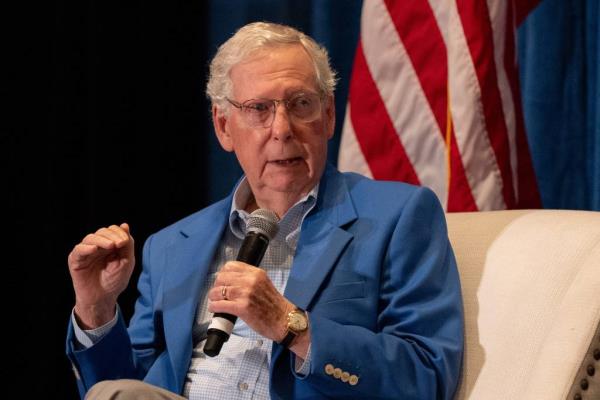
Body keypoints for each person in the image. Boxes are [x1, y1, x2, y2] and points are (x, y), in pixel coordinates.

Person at [66, 22, 464, 400]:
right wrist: (96, 309)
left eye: (301, 104)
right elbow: (122, 388)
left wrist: (291, 325)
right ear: (224, 126)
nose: (282, 128)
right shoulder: (170, 245)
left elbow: (428, 376)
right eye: (259, 108)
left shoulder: (398, 216)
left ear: (328, 116)